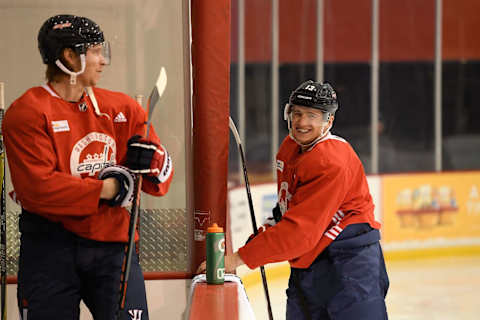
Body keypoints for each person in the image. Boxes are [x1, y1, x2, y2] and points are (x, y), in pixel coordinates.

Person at [3, 14, 173, 320]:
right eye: (95, 51)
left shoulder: (122, 108)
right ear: (70, 56)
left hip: (114, 247)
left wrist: (153, 163)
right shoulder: (27, 112)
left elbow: (159, 181)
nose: (103, 60)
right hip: (49, 250)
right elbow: (39, 189)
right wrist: (109, 188)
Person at [198, 80, 389, 319]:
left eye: (312, 115)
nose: (301, 122)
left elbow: (300, 231)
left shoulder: (331, 161)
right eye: (297, 113)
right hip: (310, 263)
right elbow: (286, 210)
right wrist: (255, 243)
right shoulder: (290, 148)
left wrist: (240, 258)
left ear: (328, 121)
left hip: (349, 264)